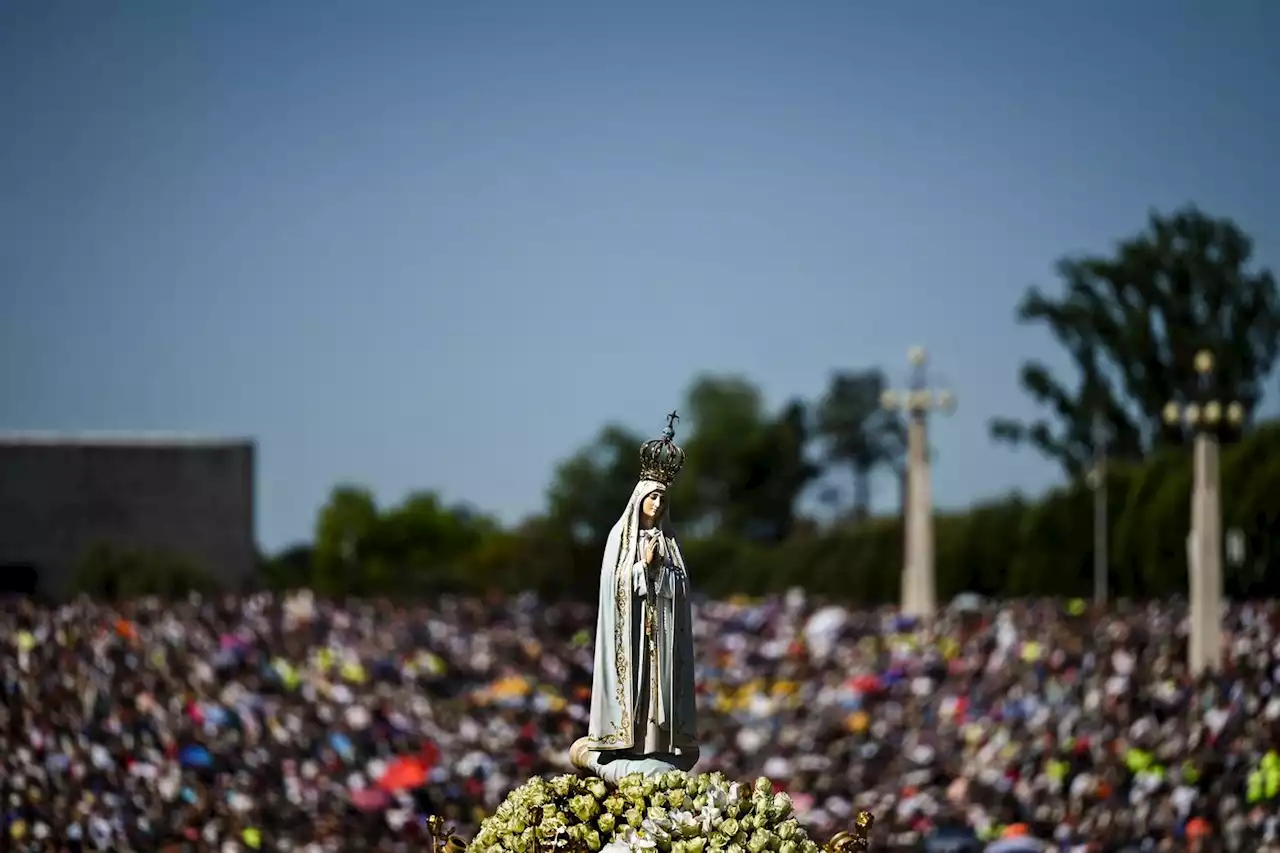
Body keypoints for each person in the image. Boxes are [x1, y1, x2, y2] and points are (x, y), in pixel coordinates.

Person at [571, 413, 699, 783]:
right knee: (636, 689)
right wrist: (642, 568)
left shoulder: (670, 543)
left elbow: (681, 588)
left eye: (662, 498)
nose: (657, 505)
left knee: (659, 692)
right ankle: (626, 743)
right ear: (639, 498)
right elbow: (614, 584)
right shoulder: (620, 539)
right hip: (632, 635)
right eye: (652, 497)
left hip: (660, 634)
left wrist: (663, 576)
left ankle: (657, 743)